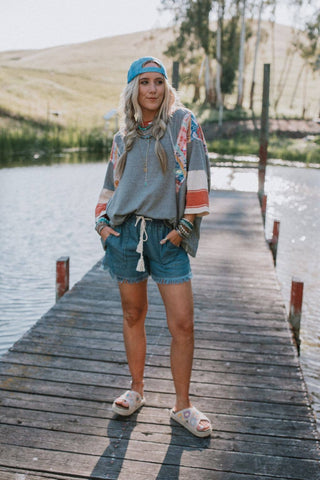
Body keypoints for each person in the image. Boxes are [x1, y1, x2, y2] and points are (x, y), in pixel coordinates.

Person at [95, 56, 212, 437]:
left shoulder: (183, 124)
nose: (152, 89)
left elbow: (198, 174)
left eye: (158, 82)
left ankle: (182, 406)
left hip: (168, 236)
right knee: (133, 316)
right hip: (125, 235)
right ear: (133, 88)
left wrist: (185, 225)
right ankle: (137, 389)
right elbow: (111, 187)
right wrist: (101, 222)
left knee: (183, 323)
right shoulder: (122, 137)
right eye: (144, 82)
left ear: (166, 87)